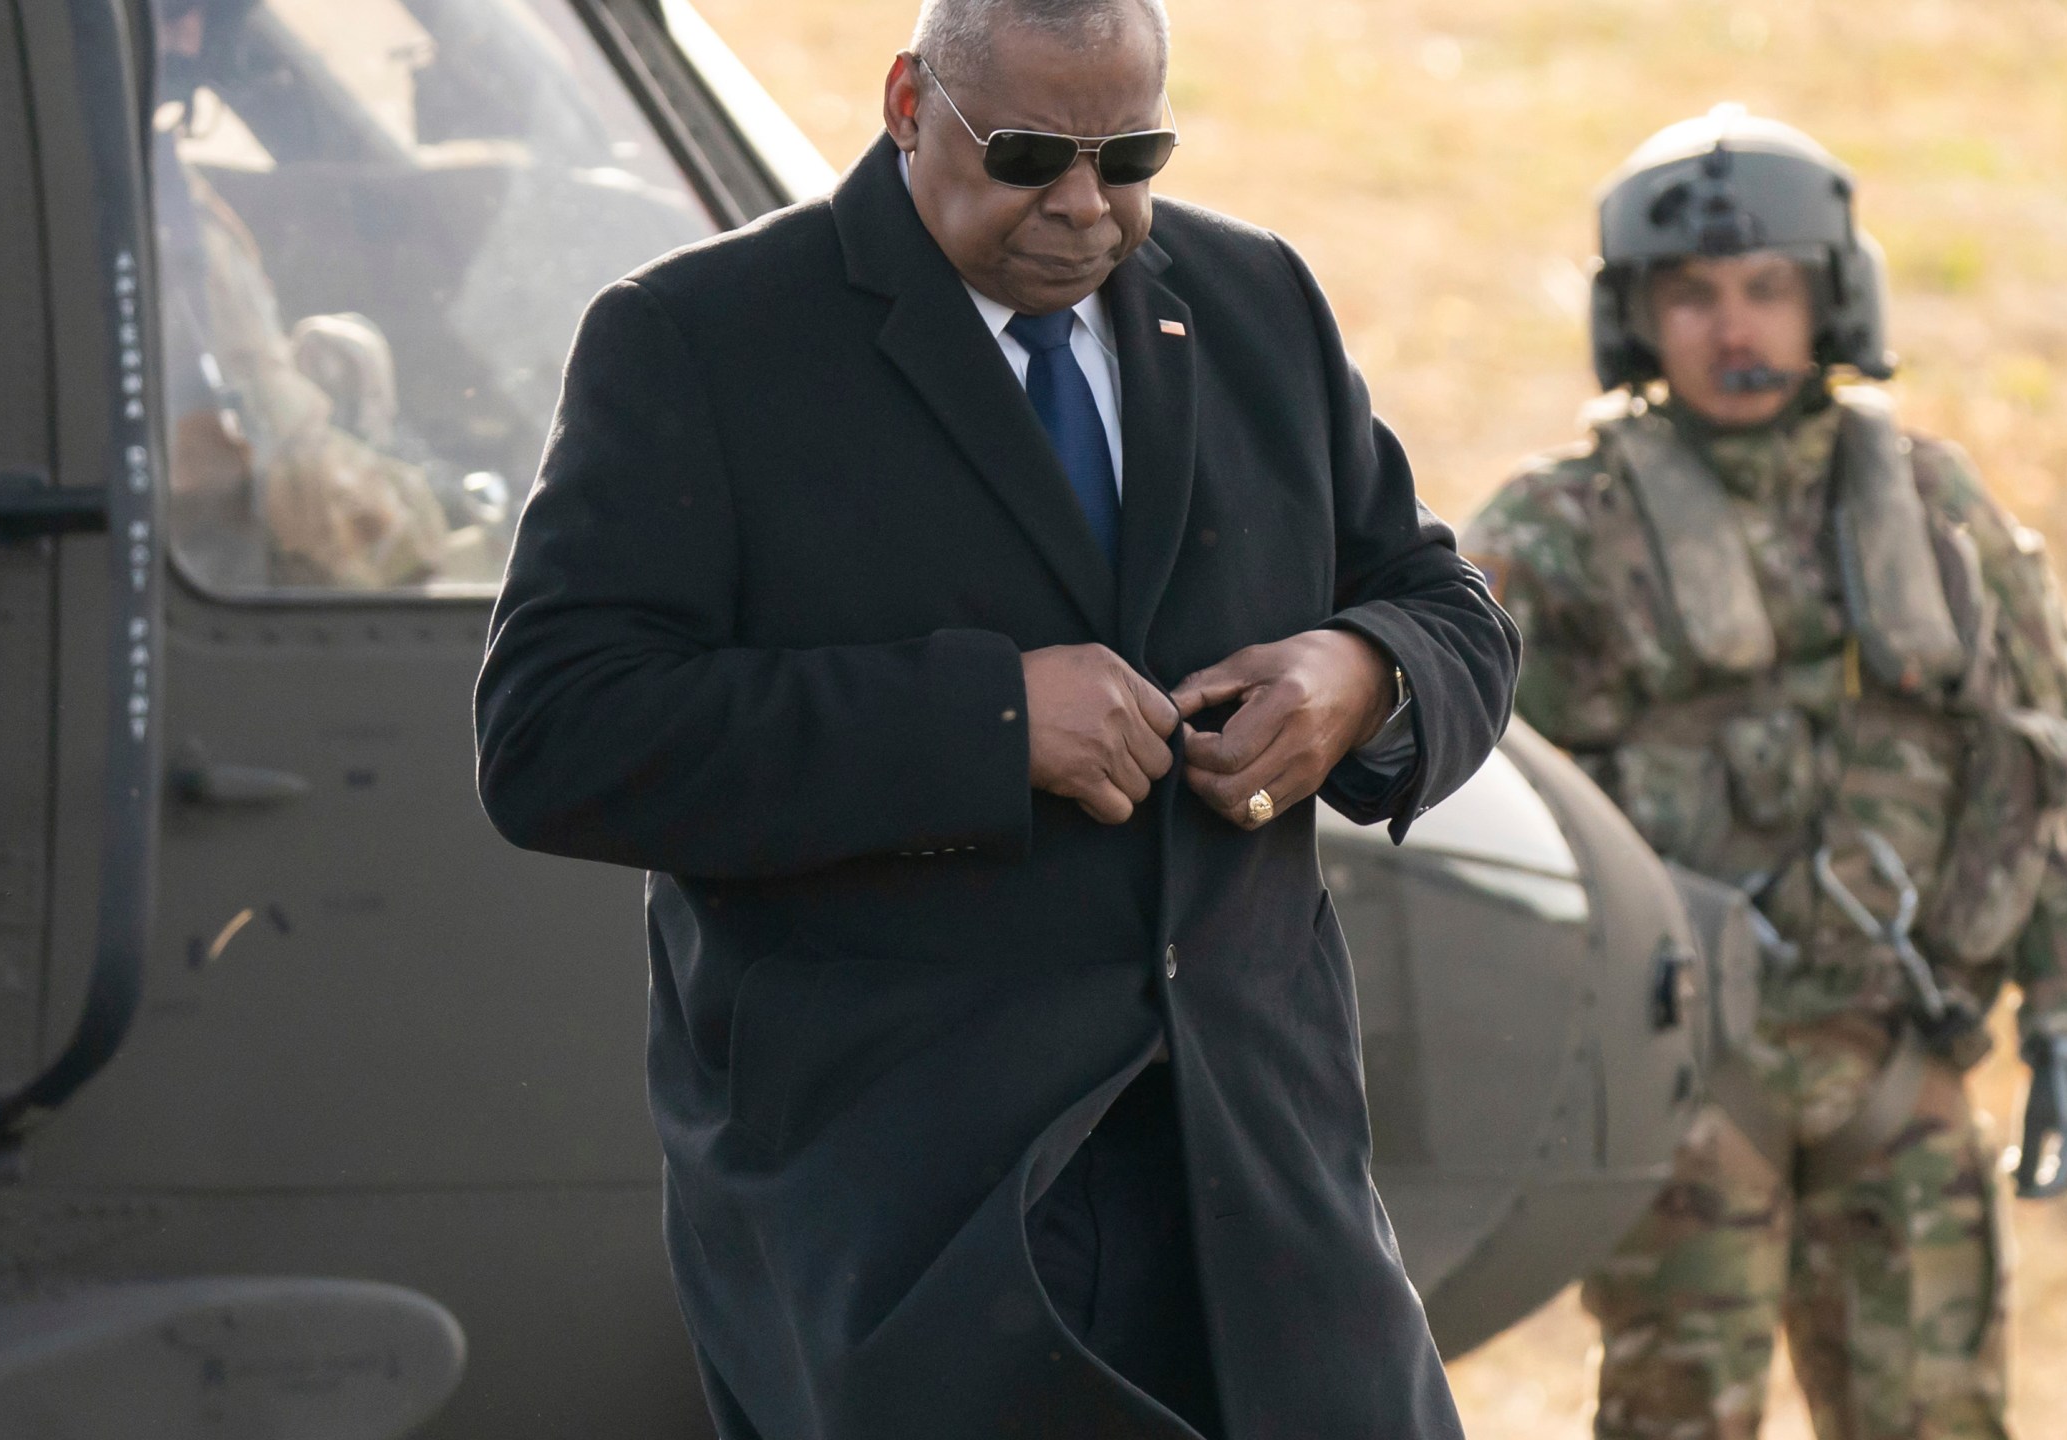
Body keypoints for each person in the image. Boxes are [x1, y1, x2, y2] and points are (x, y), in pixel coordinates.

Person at [472, 1, 1517, 1436]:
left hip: (1262, 1193)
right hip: (918, 1223)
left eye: (1130, 153)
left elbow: (1445, 604)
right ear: (909, 103)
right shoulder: (697, 342)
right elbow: (555, 737)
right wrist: (985, 722)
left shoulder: (1254, 297)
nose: (1085, 205)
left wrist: (1361, 676)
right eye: (1029, 153)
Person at [1463, 107, 2067, 1440]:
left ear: (1834, 299)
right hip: (1678, 1078)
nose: (1732, 328)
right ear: (1636, 316)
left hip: (1901, 1052)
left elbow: (2041, 759)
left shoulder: (1933, 508)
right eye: (1691, 295)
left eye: (1768, 289)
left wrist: (2064, 1012)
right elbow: (1472, 806)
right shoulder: (1556, 533)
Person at [151, 0, 473, 591]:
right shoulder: (145, 208)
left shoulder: (150, 183)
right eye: (172, 13)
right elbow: (278, 461)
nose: (192, 41)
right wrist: (432, 536)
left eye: (204, 15)